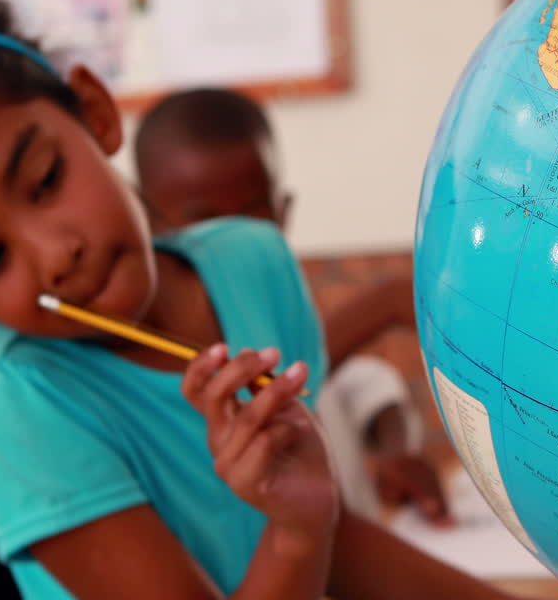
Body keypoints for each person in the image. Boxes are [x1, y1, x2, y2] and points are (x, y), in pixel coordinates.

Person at [0, 0, 558, 600]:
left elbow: (322, 524)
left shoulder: (252, 262)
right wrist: (293, 532)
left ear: (96, 114)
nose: (54, 252)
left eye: (44, 181)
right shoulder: (14, 402)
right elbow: (298, 532)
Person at [133, 88, 449, 526]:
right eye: (204, 224)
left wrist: (395, 451)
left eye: (254, 219)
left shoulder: (284, 310)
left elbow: (361, 383)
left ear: (283, 214)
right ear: (145, 223)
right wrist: (379, 306)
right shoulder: (172, 368)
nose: (235, 243)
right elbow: (274, 389)